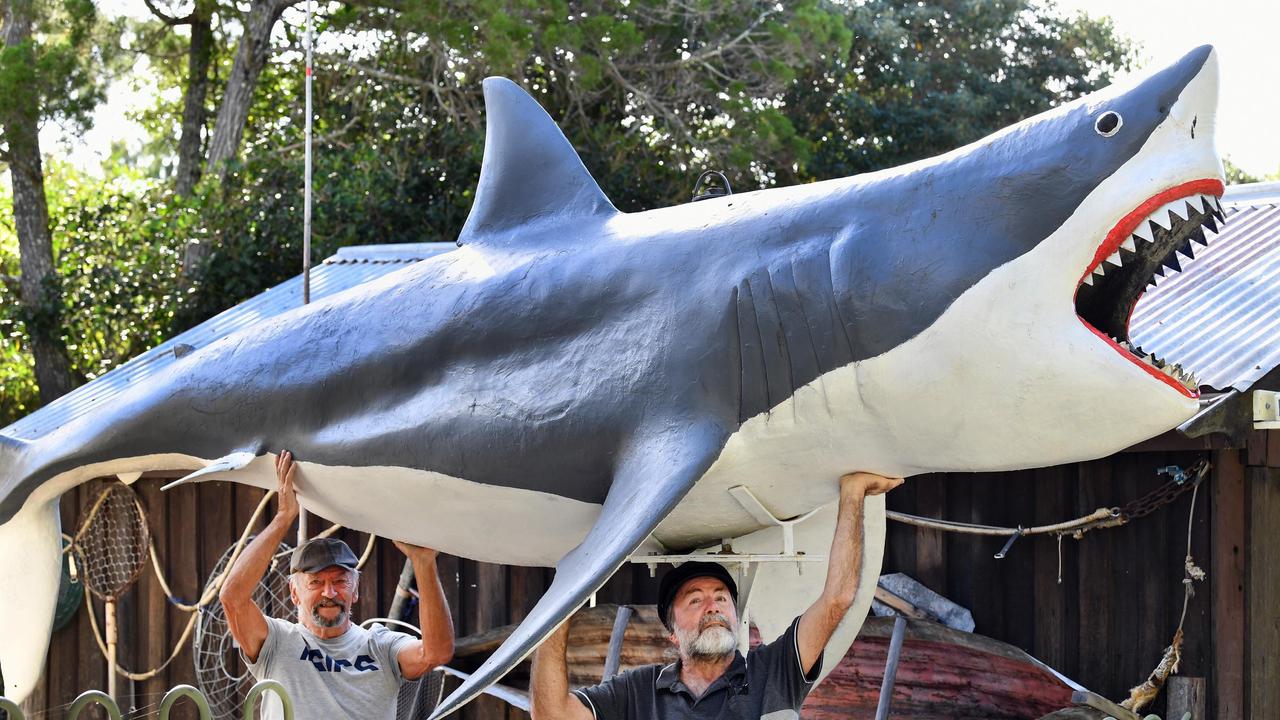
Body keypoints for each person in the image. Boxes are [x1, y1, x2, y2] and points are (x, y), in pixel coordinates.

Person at [530, 471, 904, 720]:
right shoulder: (639, 691)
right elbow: (551, 716)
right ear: (673, 633)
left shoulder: (774, 672)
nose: (713, 606)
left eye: (722, 598)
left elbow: (837, 598)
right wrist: (561, 604)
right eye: (695, 599)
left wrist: (852, 495)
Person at [219, 450, 454, 719]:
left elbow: (436, 653)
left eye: (340, 581)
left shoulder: (380, 645)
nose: (329, 593)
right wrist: (283, 517)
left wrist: (423, 563)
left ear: (355, 591)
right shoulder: (277, 642)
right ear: (294, 593)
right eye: (316, 582)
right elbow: (232, 598)